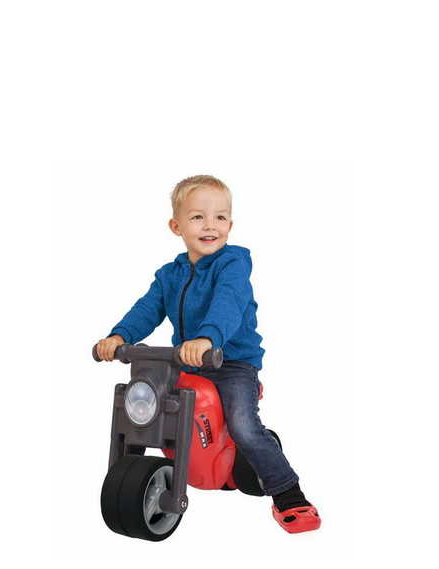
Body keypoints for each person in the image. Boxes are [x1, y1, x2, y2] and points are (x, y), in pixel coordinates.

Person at [94, 175, 320, 533]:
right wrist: (120, 335)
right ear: (177, 226)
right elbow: (148, 308)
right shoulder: (170, 274)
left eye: (220, 217)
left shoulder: (233, 265)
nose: (210, 225)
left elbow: (227, 303)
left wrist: (207, 338)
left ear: (230, 224)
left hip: (230, 363)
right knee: (144, 408)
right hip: (185, 361)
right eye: (198, 217)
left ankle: (288, 492)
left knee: (244, 426)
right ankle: (128, 479)